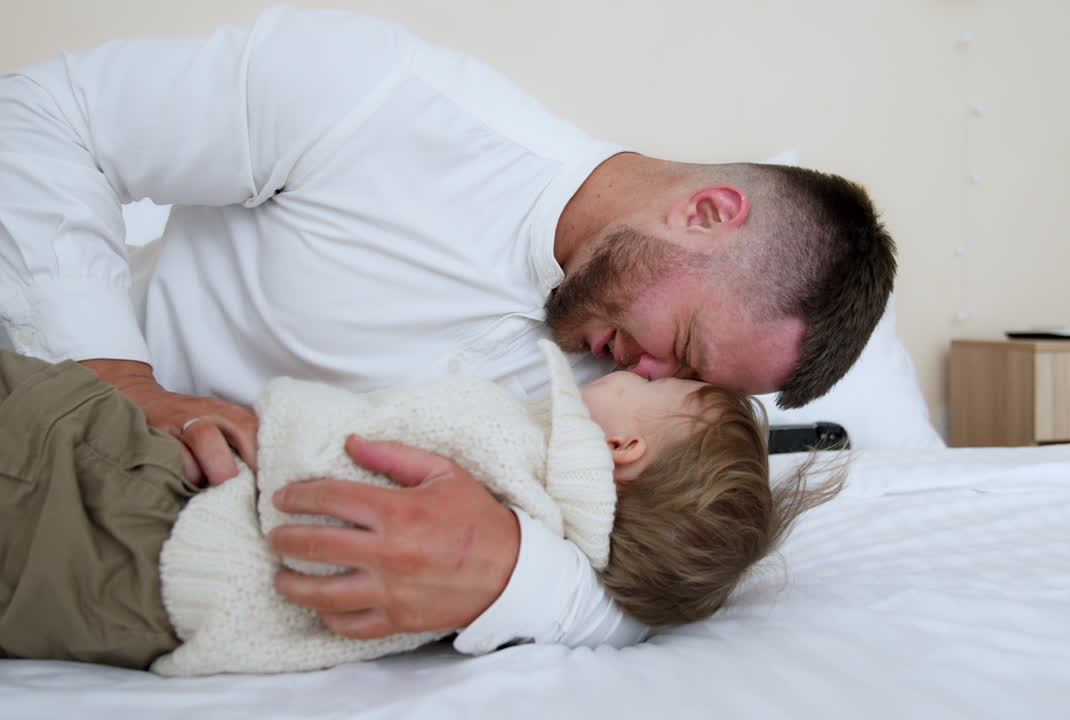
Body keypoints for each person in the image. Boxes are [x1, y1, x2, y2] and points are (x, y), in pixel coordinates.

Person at [0, 6, 895, 654]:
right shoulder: (374, 95)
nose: (659, 375)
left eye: (693, 384)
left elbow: (663, 585)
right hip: (44, 408)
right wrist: (117, 377)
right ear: (705, 214)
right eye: (687, 349)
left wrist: (510, 573)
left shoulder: (609, 419)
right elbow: (40, 116)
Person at [0, 340, 842, 675]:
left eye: (675, 383)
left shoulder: (515, 454)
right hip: (134, 604)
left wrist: (287, 418)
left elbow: (350, 447)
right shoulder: (559, 528)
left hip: (159, 506)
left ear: (624, 450)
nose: (650, 368)